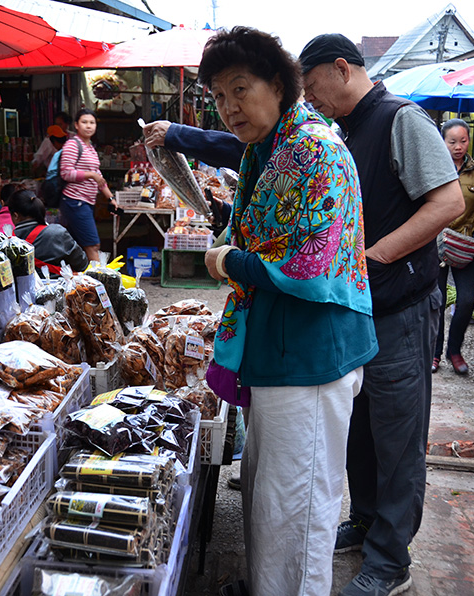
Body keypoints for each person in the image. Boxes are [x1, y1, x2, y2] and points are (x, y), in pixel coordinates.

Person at [199, 27, 377, 596]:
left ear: (278, 86)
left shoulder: (309, 149)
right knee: (271, 494)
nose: (229, 107)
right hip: (279, 350)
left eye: (240, 89)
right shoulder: (266, 150)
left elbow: (306, 263)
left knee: (299, 507)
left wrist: (230, 262)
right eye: (218, 96)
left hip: (312, 353)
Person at [299, 33, 465, 596]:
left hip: (401, 306)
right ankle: (368, 521)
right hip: (362, 310)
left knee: (397, 434)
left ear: (341, 69)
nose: (308, 96)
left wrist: (375, 255)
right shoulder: (345, 131)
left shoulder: (402, 119)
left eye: (311, 83)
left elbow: (448, 203)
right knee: (361, 429)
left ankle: (392, 560)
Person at [433, 119, 474, 375]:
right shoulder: (433, 168)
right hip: (435, 244)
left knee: (466, 301)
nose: (459, 147)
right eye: (452, 141)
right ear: (443, 141)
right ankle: (433, 354)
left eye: (463, 141)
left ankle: (454, 351)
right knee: (436, 301)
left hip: (466, 245)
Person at [59, 108, 117, 263]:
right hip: (74, 201)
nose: (88, 126)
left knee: (75, 246)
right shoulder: (72, 145)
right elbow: (66, 173)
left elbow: (99, 176)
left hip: (85, 202)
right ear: (76, 125)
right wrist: (90, 175)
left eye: (92, 122)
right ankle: (102, 282)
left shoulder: (90, 147)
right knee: (93, 245)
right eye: (84, 122)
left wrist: (110, 197)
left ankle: (76, 281)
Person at [7, 189, 89, 274]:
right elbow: (82, 264)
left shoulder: (7, 241)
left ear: (15, 215)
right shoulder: (57, 232)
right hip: (59, 285)